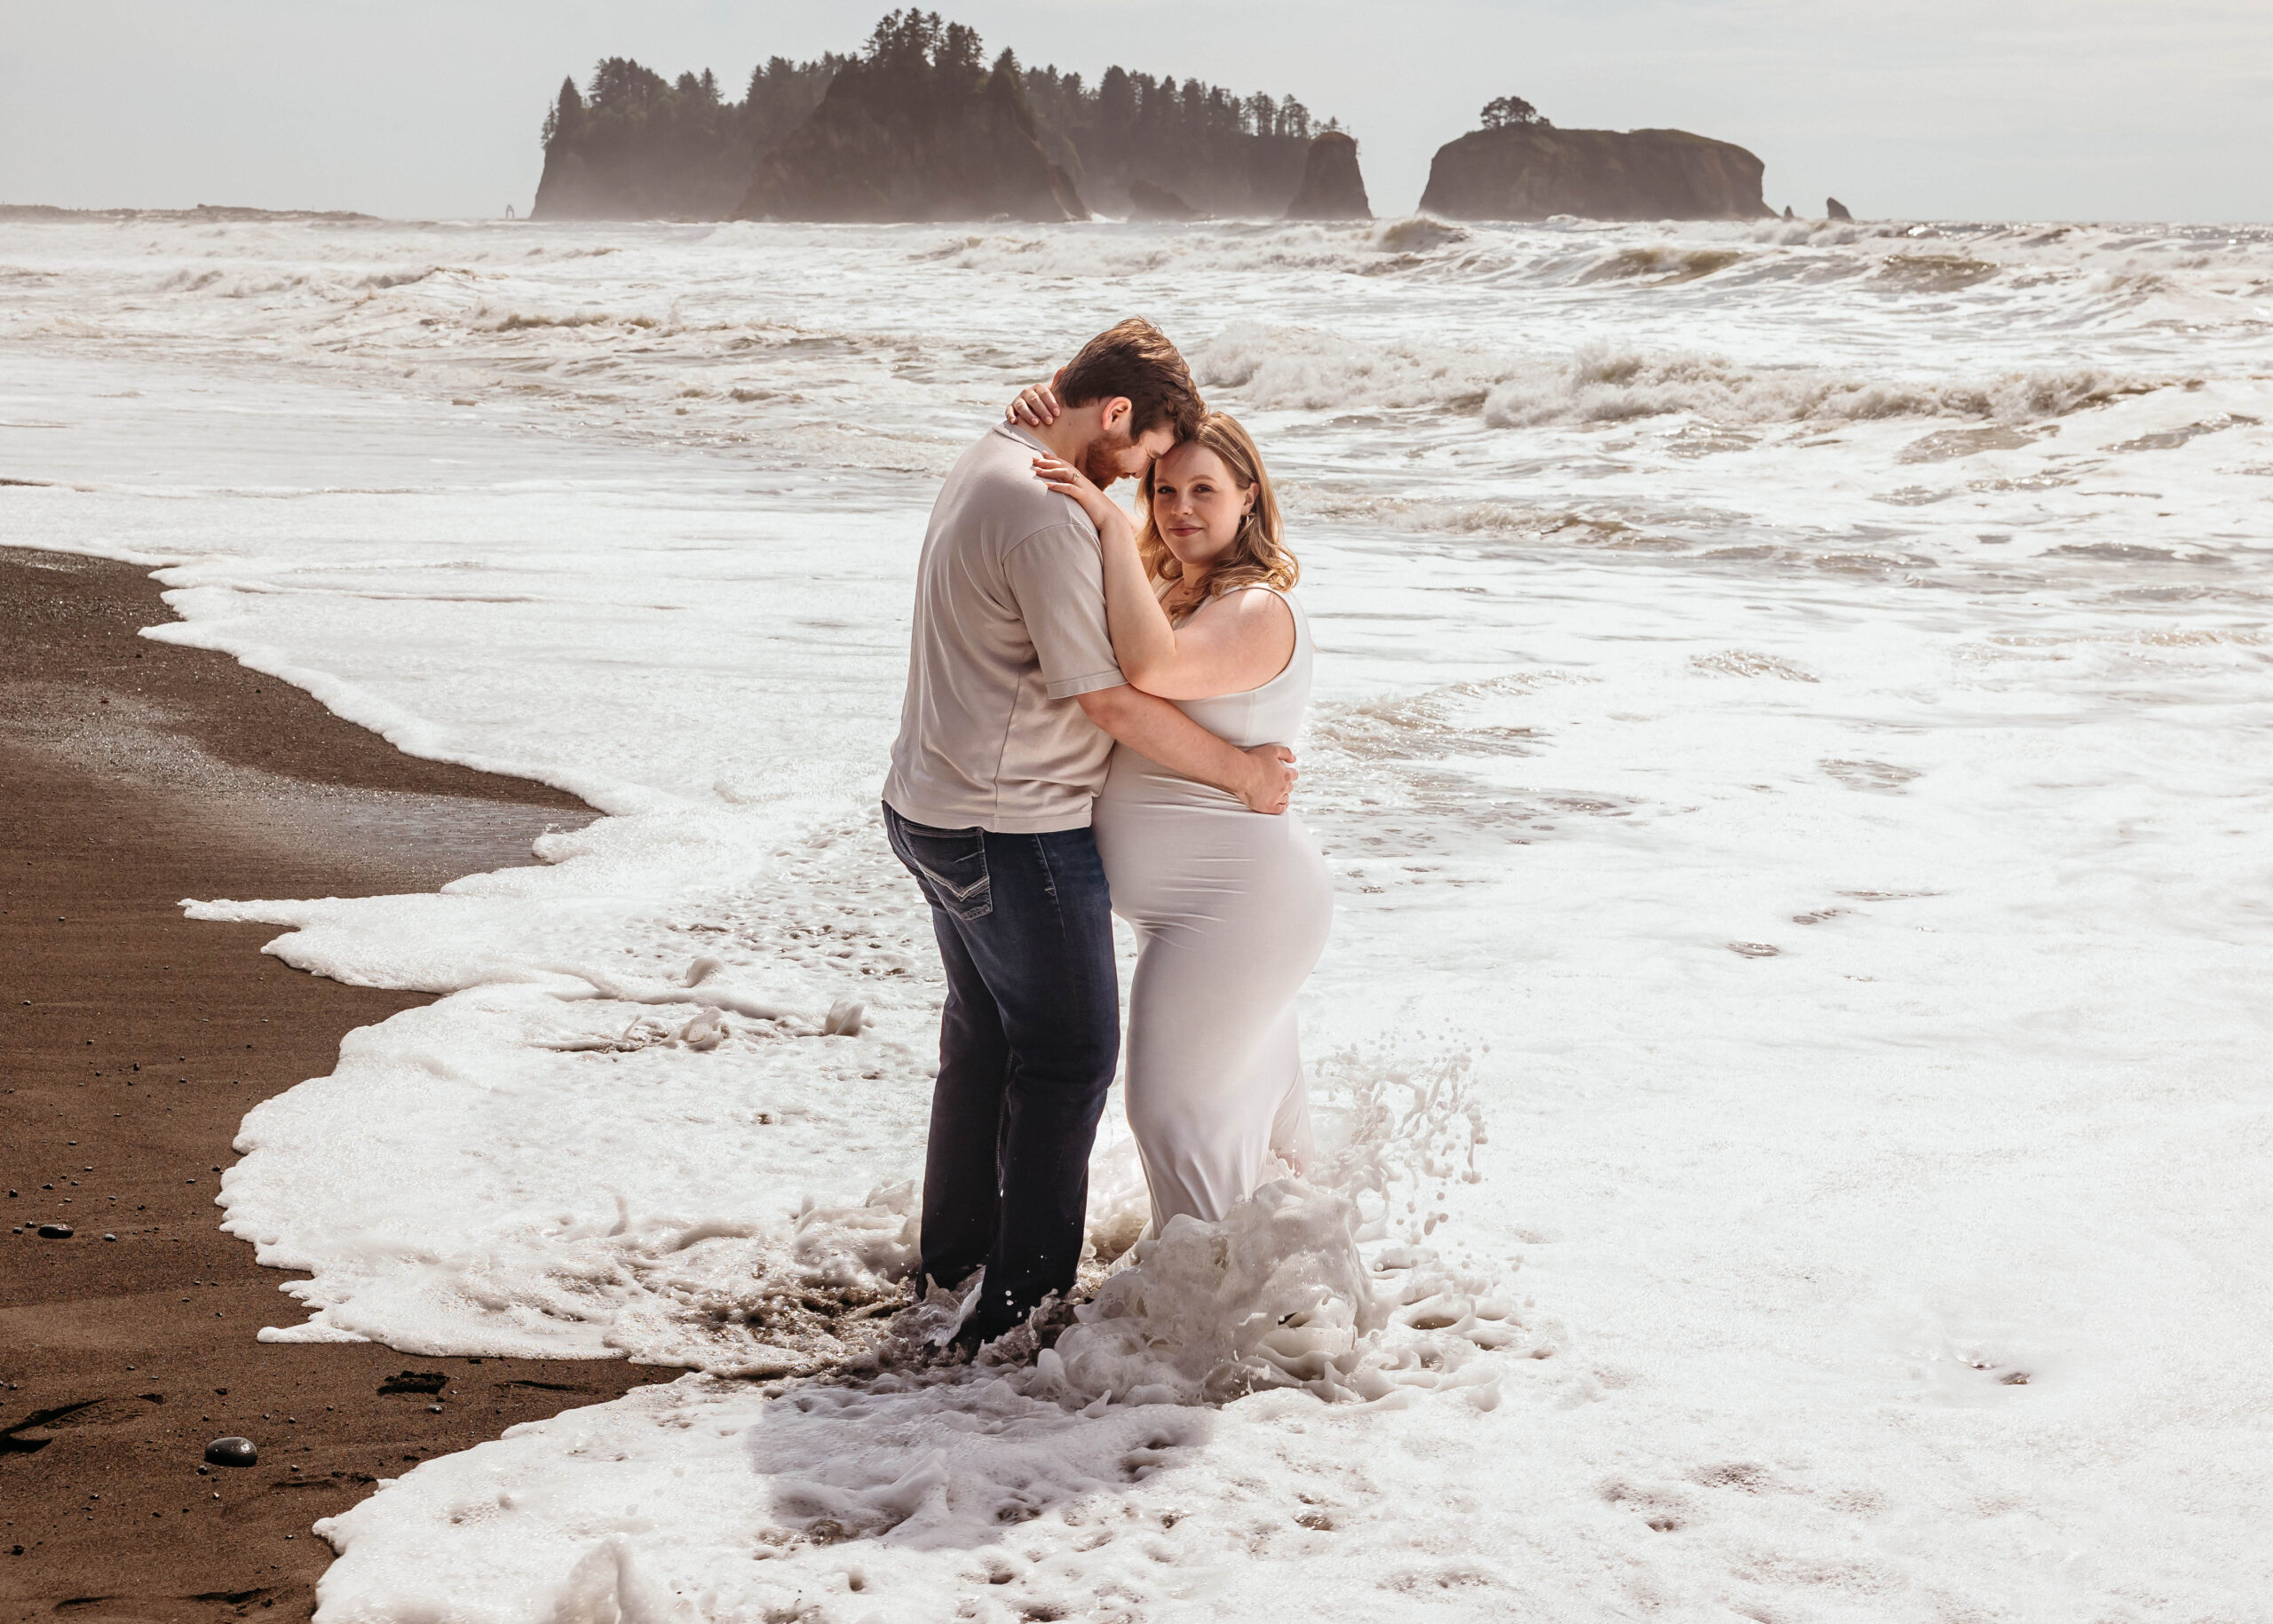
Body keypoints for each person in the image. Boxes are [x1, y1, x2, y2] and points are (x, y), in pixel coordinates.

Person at [881, 319, 1298, 1347]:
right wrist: (1243, 772)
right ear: (1113, 413)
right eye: (1152, 463)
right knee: (1068, 1059)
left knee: (981, 1043)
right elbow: (1113, 698)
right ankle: (1019, 1314)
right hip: (1009, 827)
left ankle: (954, 1269)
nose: (1147, 489)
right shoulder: (1048, 513)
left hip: (934, 806)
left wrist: (1062, 427)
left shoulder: (994, 459)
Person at [1017, 385, 1334, 1235]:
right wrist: (1049, 418)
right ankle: (1275, 1318)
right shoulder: (1171, 589)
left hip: (1236, 909)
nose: (1181, 508)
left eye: (1205, 490)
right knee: (1263, 1142)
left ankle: (1202, 1335)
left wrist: (1112, 524)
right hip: (1202, 912)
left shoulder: (1257, 608)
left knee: (1172, 1115)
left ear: (1249, 498)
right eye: (1163, 490)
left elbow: (1143, 677)